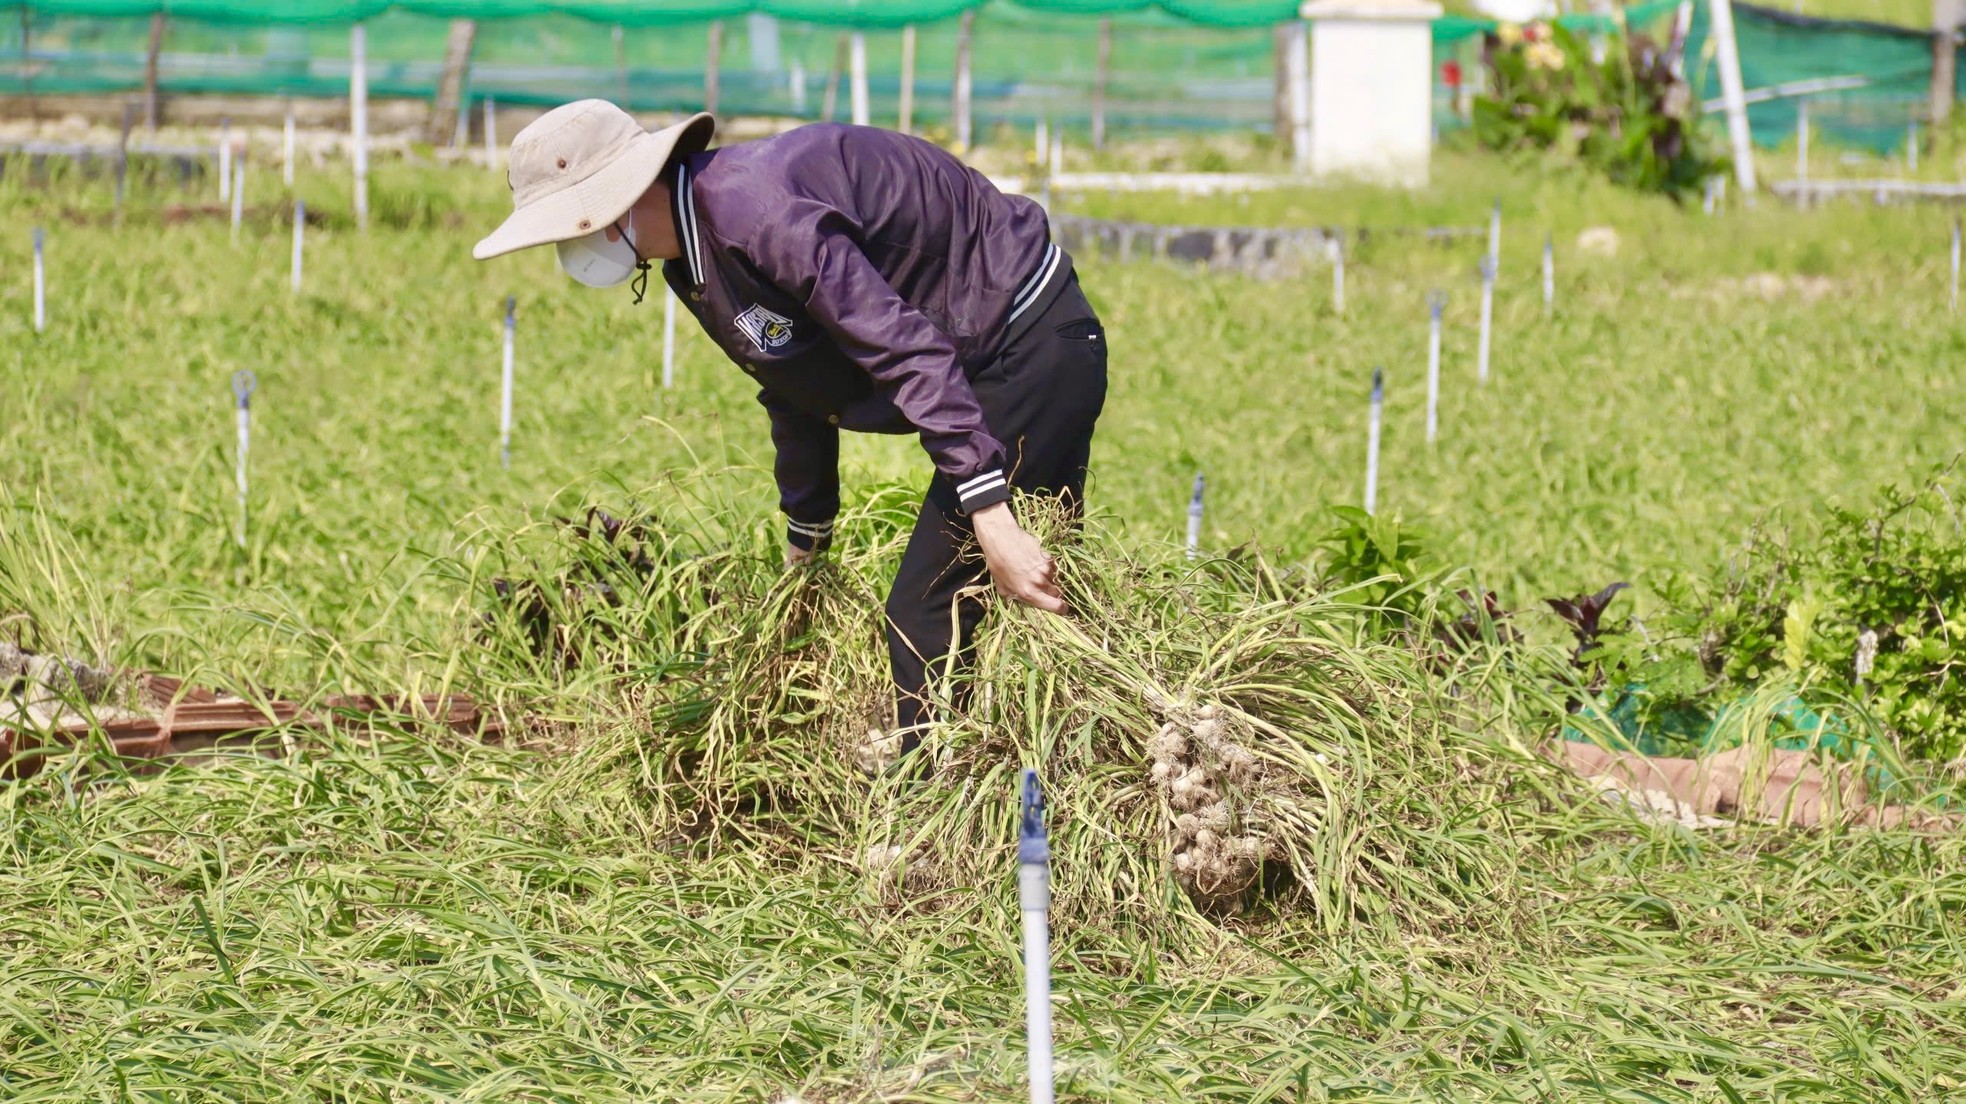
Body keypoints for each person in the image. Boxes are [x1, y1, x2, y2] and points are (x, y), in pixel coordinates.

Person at [473, 100, 1107, 757]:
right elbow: (797, 382)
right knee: (1034, 595)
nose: (567, 251)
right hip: (1001, 357)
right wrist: (808, 540)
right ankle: (1073, 761)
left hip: (1025, 345)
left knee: (925, 614)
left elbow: (906, 349)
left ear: (608, 206)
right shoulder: (696, 258)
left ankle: (933, 824)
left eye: (565, 233)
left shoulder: (757, 211)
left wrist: (990, 513)